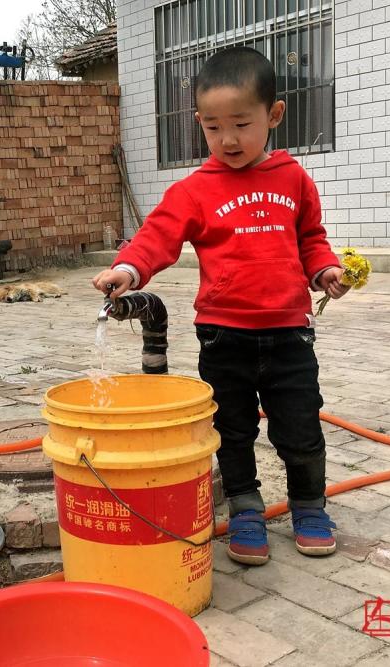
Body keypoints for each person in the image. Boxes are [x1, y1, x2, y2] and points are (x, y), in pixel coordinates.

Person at [92, 46, 350, 566]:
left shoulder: (294, 179)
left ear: (273, 115)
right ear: (199, 124)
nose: (227, 139)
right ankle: (247, 507)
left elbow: (311, 240)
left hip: (289, 336)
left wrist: (326, 271)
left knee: (299, 428)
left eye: (241, 123)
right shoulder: (194, 190)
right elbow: (157, 236)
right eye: (213, 127)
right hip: (222, 336)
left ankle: (308, 506)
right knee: (231, 431)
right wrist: (127, 270)